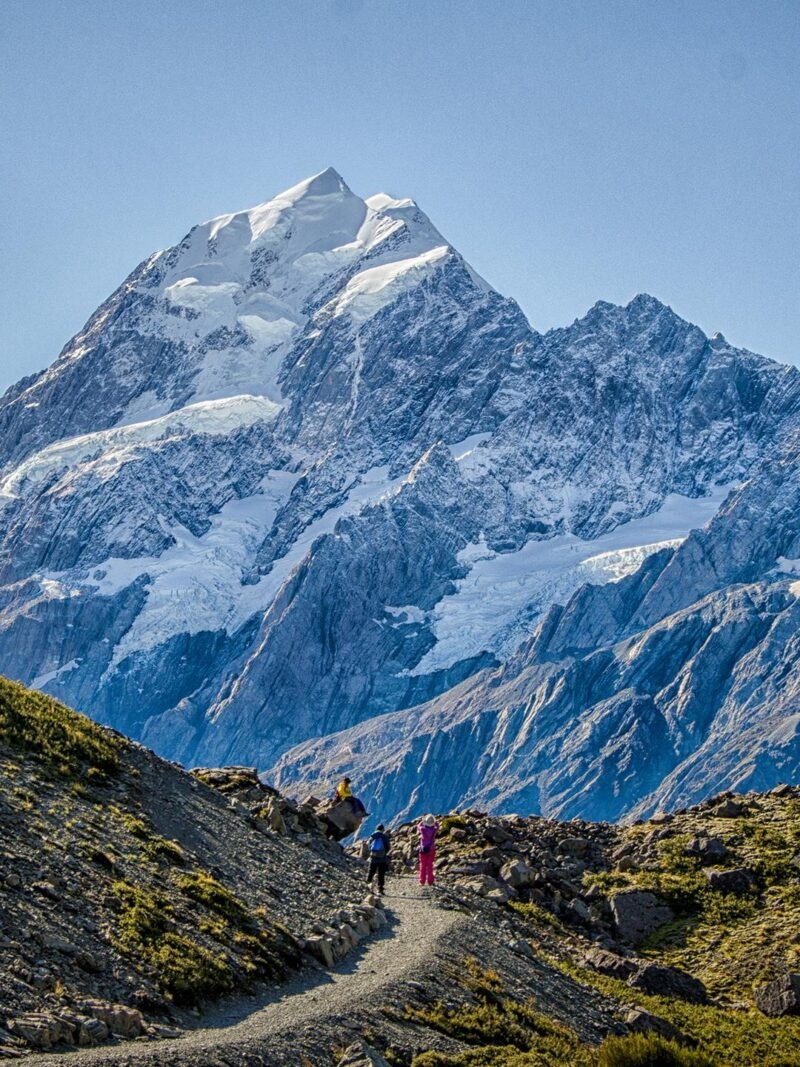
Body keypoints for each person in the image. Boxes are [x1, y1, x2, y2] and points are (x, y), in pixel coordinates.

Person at [366, 823, 391, 894]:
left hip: (373, 858)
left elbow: (368, 845)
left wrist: (371, 852)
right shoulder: (385, 837)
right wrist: (384, 853)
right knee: (381, 874)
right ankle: (380, 889)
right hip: (382, 859)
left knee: (371, 872)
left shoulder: (372, 836)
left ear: (376, 829)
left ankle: (368, 886)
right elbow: (388, 847)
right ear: (383, 829)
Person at [417, 813, 440, 886]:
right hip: (431, 849)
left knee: (422, 865)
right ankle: (430, 881)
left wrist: (422, 820)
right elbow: (438, 826)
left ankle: (422, 881)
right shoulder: (434, 829)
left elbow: (418, 826)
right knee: (430, 865)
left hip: (423, 849)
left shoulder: (422, 829)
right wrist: (435, 821)